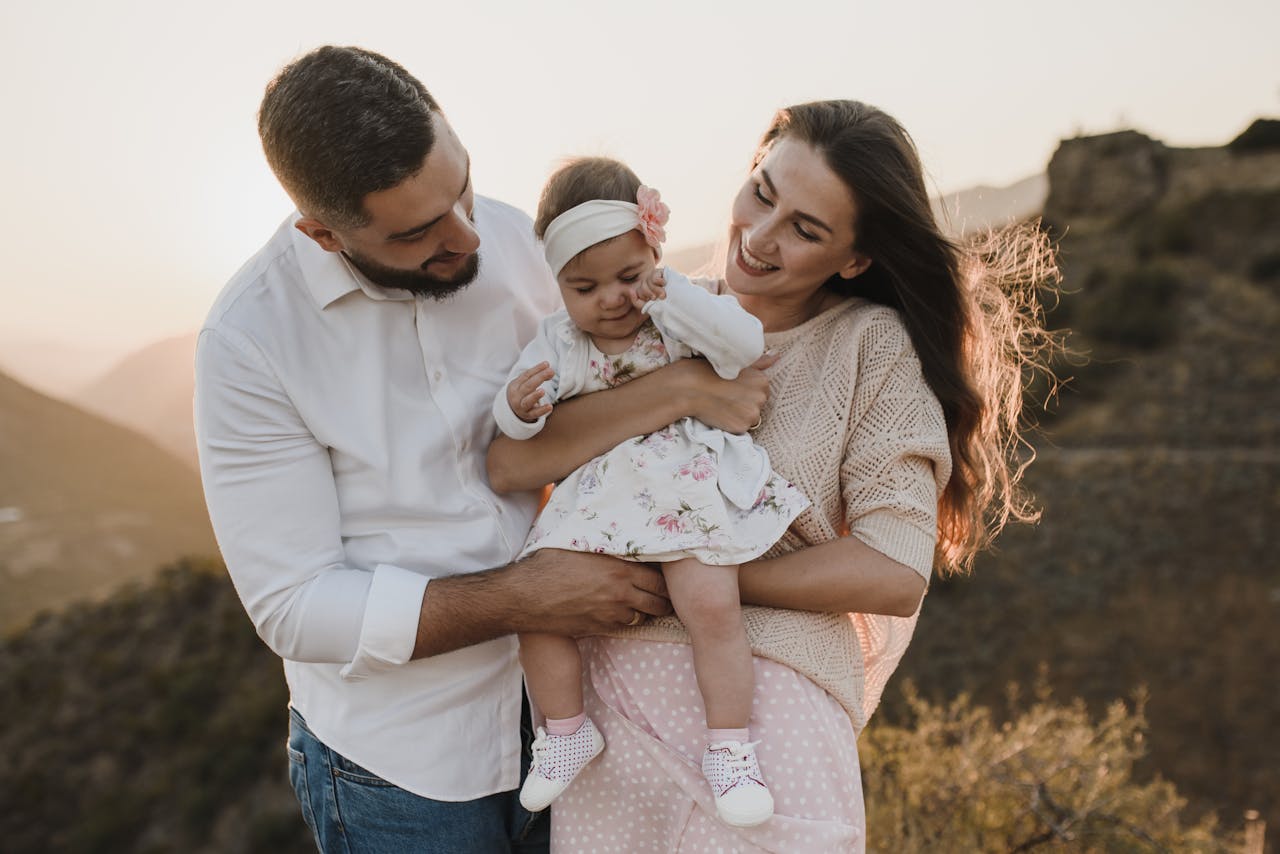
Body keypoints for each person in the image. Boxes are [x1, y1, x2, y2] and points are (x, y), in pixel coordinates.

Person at [194, 46, 775, 853]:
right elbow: (294, 606)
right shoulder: (248, 340)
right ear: (322, 233)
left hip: (590, 713)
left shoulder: (531, 245)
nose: (468, 236)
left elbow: (609, 389)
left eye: (461, 187)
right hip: (400, 766)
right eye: (420, 232)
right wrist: (523, 597)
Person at [486, 100, 1056, 851]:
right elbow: (513, 462)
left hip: (767, 730)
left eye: (804, 229)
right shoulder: (640, 315)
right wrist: (679, 391)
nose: (759, 237)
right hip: (610, 729)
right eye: (762, 192)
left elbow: (893, 569)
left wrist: (685, 577)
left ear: (854, 259)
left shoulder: (870, 347)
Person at [493, 158, 809, 826]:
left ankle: (731, 749)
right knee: (536, 602)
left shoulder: (681, 310)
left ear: (654, 254)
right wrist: (518, 408)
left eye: (629, 277)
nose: (612, 298)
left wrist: (671, 296)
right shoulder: (559, 339)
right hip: (599, 499)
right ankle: (566, 729)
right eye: (585, 286)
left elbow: (743, 344)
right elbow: (517, 423)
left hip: (685, 487)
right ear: (558, 284)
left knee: (712, 603)